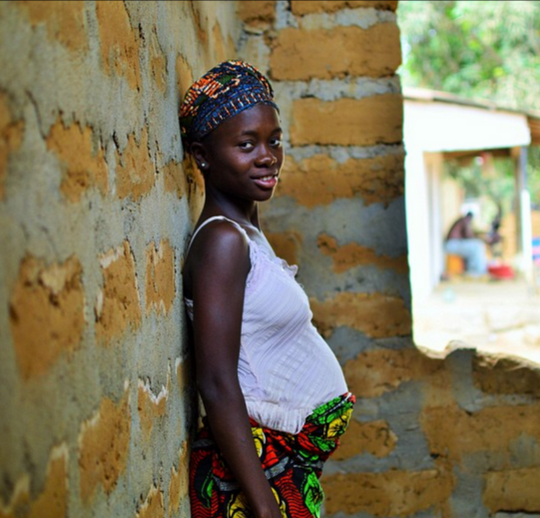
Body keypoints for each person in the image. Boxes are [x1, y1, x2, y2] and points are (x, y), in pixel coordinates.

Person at [178, 60, 354, 518]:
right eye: (246, 144)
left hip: (282, 466)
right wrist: (264, 508)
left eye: (274, 140)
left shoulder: (245, 230)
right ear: (202, 155)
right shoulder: (222, 242)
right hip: (255, 478)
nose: (268, 157)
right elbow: (216, 382)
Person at [445, 211, 488, 276]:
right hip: (451, 245)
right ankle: (476, 271)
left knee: (477, 246)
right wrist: (481, 238)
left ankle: (477, 270)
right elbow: (469, 236)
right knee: (477, 246)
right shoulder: (465, 221)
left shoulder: (462, 220)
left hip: (452, 244)